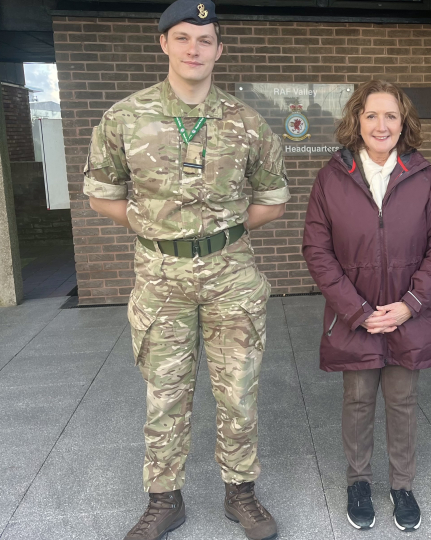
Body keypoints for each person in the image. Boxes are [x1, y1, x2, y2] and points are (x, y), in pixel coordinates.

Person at [83, 2, 290, 539]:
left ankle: (241, 494)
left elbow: (272, 201)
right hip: (160, 280)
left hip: (231, 279)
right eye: (183, 38)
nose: (194, 49)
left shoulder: (246, 123)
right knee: (165, 394)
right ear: (164, 44)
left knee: (238, 391)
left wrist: (219, 231)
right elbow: (100, 193)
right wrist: (149, 221)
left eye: (205, 39)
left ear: (220, 50)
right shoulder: (125, 117)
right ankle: (163, 499)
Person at [302, 80, 431, 533]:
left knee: (403, 400)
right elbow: (316, 248)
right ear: (357, 120)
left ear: (404, 122)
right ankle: (359, 482)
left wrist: (410, 305)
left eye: (391, 115)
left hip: (406, 315)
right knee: (357, 400)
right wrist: (356, 309)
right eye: (372, 115)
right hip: (357, 316)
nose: (381, 124)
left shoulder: (423, 175)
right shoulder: (333, 177)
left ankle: (402, 485)